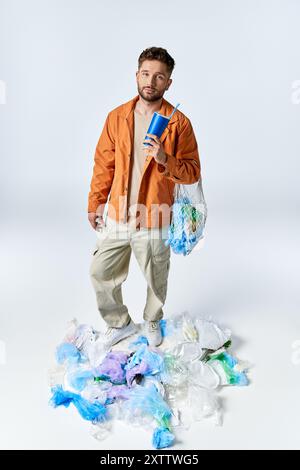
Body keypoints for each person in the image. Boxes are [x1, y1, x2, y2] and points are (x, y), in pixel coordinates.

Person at [88, 46, 201, 349]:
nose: (151, 81)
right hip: (118, 213)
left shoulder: (179, 124)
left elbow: (191, 172)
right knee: (100, 271)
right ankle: (119, 323)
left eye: (159, 76)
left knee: (156, 277)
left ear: (168, 83)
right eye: (146, 74)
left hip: (156, 213)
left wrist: (165, 159)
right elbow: (104, 164)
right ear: (137, 75)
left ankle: (152, 319)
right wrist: (95, 202)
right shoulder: (117, 117)